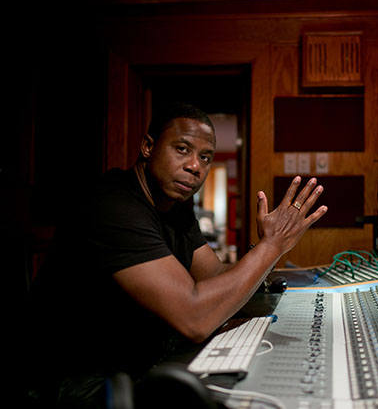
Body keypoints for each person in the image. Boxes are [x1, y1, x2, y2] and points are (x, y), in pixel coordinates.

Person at [29, 102, 327, 407]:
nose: (195, 166)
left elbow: (215, 276)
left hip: (140, 364)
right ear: (148, 146)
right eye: (182, 149)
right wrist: (271, 247)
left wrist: (265, 247)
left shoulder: (176, 207)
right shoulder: (113, 206)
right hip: (78, 386)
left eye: (205, 157)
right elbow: (194, 317)